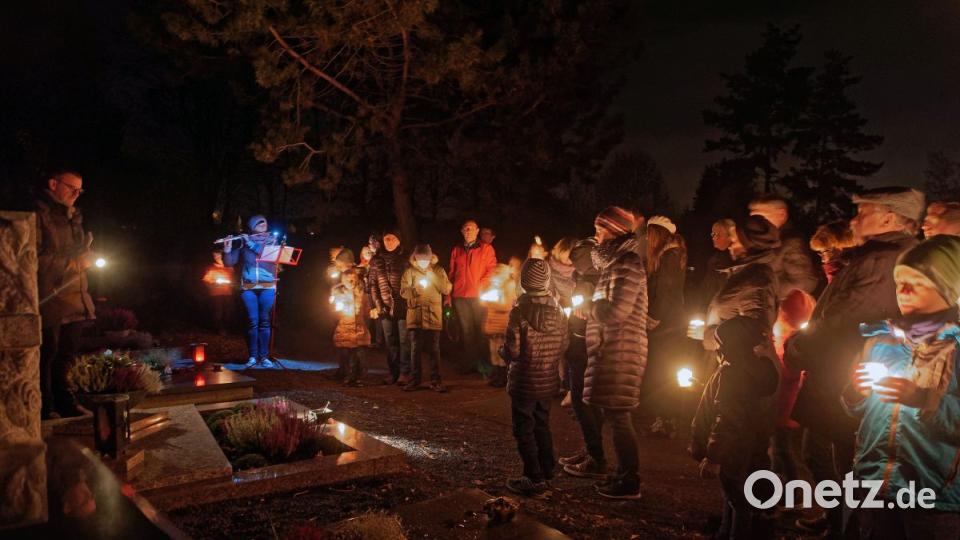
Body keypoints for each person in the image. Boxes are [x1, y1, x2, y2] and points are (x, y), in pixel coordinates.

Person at [785, 187, 924, 537]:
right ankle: (841, 526)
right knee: (839, 467)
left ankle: (844, 529)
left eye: (863, 211)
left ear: (890, 217)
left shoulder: (882, 261)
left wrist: (799, 347)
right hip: (846, 381)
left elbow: (843, 321)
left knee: (849, 470)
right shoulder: (875, 256)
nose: (853, 219)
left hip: (849, 385)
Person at [841, 235, 960, 539]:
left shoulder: (956, 350)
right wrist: (855, 393)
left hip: (933, 494)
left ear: (950, 287)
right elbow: (858, 410)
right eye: (899, 282)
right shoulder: (881, 341)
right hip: (875, 485)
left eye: (917, 282)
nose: (903, 292)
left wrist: (923, 399)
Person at [691, 316, 780, 540]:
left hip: (732, 449)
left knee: (737, 499)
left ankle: (736, 534)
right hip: (752, 445)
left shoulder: (731, 374)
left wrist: (713, 456)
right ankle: (725, 531)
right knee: (735, 495)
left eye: (720, 343)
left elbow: (727, 419)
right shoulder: (757, 371)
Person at [584, 206, 647, 499]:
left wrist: (591, 307)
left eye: (601, 228)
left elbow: (618, 310)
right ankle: (622, 473)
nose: (596, 234)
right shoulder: (614, 263)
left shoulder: (628, 263)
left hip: (623, 349)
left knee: (620, 416)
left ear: (616, 231)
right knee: (614, 414)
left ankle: (629, 480)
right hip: (612, 347)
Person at [500, 258, 569, 497]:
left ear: (524, 282)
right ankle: (548, 469)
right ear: (547, 281)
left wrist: (502, 352)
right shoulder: (559, 312)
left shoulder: (518, 313)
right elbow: (563, 345)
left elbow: (513, 351)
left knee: (523, 428)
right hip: (547, 380)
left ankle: (533, 476)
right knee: (542, 424)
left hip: (524, 382)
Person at [36, 170, 96, 419]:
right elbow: (34, 258)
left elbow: (77, 253)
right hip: (51, 299)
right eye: (71, 187)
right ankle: (45, 407)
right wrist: (73, 263)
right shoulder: (40, 214)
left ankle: (65, 402)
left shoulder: (73, 217)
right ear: (53, 183)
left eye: (79, 190)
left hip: (75, 296)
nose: (75, 194)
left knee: (67, 356)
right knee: (47, 354)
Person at [560, 236, 608, 479]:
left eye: (577, 258)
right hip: (580, 341)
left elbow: (589, 311)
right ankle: (590, 450)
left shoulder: (591, 281)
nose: (573, 262)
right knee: (586, 400)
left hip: (583, 344)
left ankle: (596, 457)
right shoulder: (585, 278)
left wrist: (581, 310)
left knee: (581, 400)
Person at [223, 215, 278, 369]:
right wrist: (227, 250)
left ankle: (264, 357)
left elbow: (264, 255)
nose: (263, 224)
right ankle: (253, 356)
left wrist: (250, 242)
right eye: (259, 223)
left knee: (265, 321)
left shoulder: (272, 240)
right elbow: (229, 263)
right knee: (252, 321)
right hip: (248, 287)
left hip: (267, 285)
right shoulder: (243, 242)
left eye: (264, 222)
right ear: (252, 226)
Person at [400, 244, 453, 392]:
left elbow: (446, 288)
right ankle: (414, 380)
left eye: (426, 259)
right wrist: (415, 290)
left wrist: (432, 275)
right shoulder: (409, 272)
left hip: (433, 316)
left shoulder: (438, 270)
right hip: (415, 317)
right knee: (415, 349)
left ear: (430, 258)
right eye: (420, 259)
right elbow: (403, 292)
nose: (423, 262)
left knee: (434, 349)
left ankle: (436, 380)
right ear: (415, 258)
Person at [448, 219, 497, 374]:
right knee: (467, 331)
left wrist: (482, 284)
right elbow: (451, 273)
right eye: (465, 229)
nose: (468, 232)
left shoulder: (486, 249)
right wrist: (448, 297)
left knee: (481, 330)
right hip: (460, 296)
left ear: (477, 231)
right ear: (462, 231)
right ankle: (471, 362)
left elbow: (492, 269)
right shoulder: (457, 250)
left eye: (471, 229)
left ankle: (485, 364)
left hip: (478, 296)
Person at [749, 195, 823, 299]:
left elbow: (802, 284)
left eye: (761, 217)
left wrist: (759, 293)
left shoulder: (792, 243)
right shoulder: (765, 242)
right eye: (753, 217)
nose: (755, 222)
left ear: (781, 214)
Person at [368, 230, 409, 385]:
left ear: (399, 240)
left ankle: (405, 373)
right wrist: (377, 305)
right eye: (386, 239)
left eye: (392, 238)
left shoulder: (405, 259)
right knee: (390, 341)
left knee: (404, 341)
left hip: (403, 306)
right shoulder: (376, 260)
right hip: (384, 307)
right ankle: (394, 372)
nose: (389, 241)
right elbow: (372, 284)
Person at [481, 259, 521, 388]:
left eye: (499, 273)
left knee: (502, 351)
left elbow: (505, 306)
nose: (496, 275)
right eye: (495, 273)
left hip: (503, 324)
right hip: (493, 323)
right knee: (494, 351)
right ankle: (496, 374)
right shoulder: (493, 285)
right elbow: (482, 300)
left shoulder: (509, 286)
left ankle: (504, 377)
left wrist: (490, 302)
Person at [331, 268, 370, 386]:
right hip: (345, 328)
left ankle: (360, 377)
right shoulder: (338, 293)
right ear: (343, 281)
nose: (351, 282)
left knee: (360, 354)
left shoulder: (362, 293)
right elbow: (333, 312)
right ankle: (349, 376)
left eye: (353, 279)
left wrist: (370, 312)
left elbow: (367, 309)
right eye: (348, 280)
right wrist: (336, 309)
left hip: (359, 329)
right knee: (347, 355)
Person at [202, 250, 235, 335]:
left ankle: (227, 328)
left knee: (228, 311)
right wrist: (213, 284)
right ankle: (219, 329)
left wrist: (231, 284)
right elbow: (205, 280)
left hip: (228, 292)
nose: (217, 257)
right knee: (218, 312)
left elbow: (233, 279)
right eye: (215, 256)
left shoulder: (229, 267)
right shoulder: (211, 268)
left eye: (218, 255)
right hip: (216, 293)